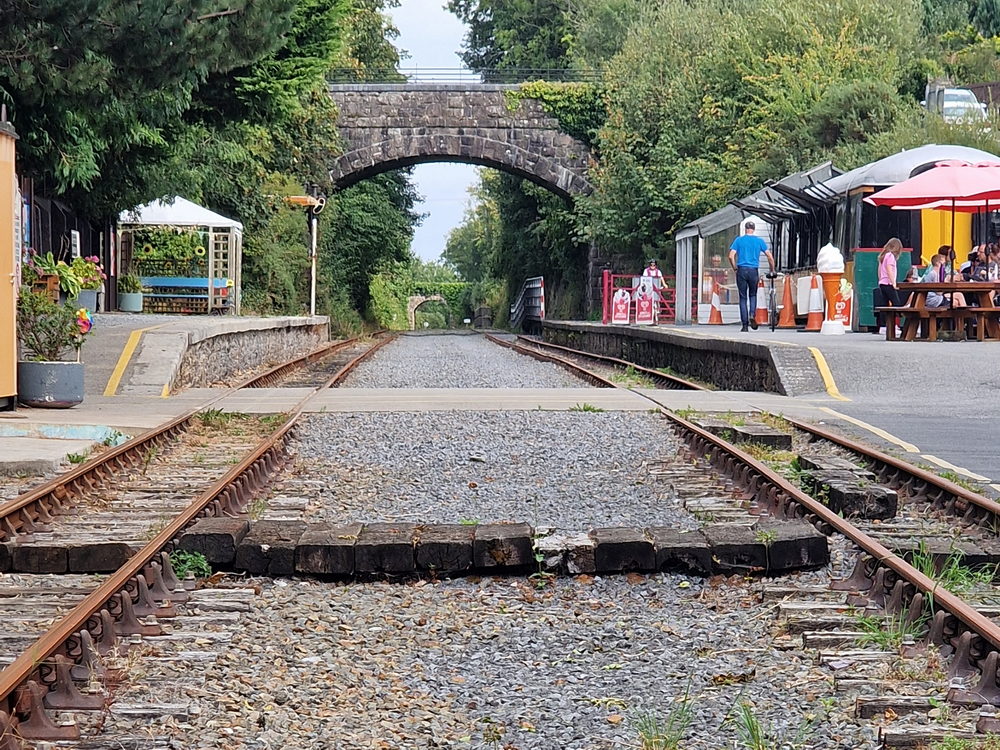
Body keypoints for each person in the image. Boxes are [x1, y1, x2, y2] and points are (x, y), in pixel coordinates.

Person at [728, 221, 775, 332]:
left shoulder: (738, 240)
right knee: (753, 295)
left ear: (745, 229)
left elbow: (731, 256)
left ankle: (744, 326)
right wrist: (772, 270)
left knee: (743, 297)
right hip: (753, 271)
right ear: (754, 229)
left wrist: (735, 268)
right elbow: (770, 256)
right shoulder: (759, 241)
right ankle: (752, 315)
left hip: (741, 270)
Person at [877, 238, 904, 330]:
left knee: (884, 304)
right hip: (888, 283)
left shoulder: (883, 256)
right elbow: (889, 270)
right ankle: (894, 325)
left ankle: (883, 326)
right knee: (897, 304)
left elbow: (880, 270)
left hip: (882, 283)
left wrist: (880, 279)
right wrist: (893, 283)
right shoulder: (890, 256)